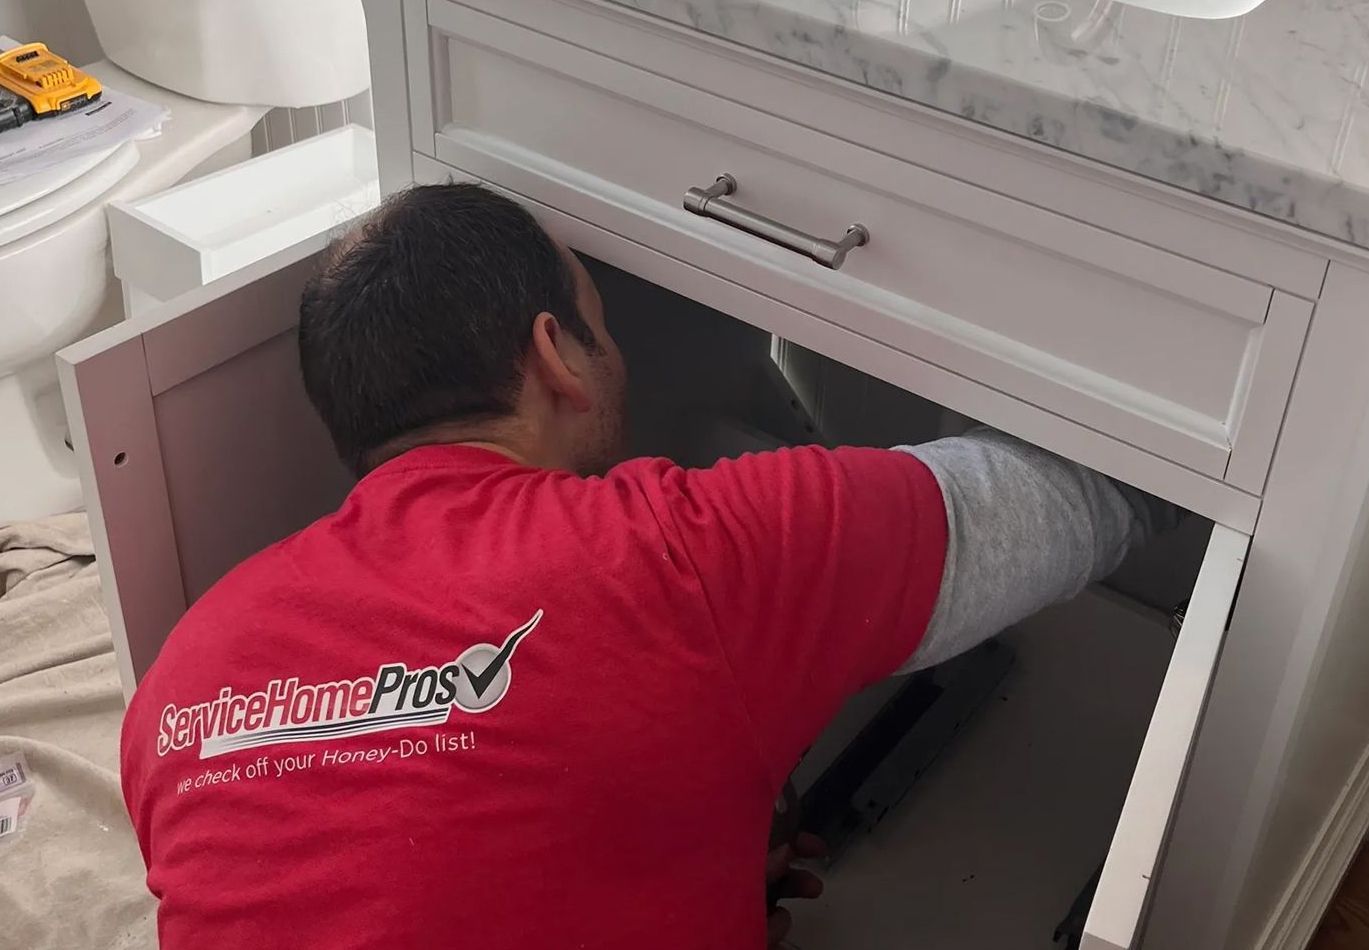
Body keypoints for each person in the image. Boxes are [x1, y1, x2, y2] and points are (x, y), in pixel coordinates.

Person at [119, 183, 1177, 949]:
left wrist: (666, 860)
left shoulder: (183, 672)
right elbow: (1086, 500)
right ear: (554, 357)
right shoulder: (682, 555)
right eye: (604, 325)